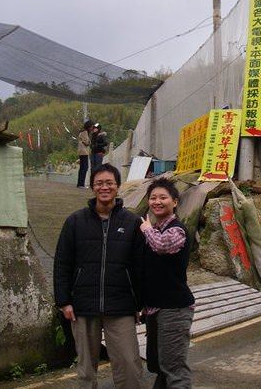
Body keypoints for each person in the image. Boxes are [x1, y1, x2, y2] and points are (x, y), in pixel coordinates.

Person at [54, 163, 144, 389]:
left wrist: (141, 302)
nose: (105, 187)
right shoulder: (75, 221)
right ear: (93, 187)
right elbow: (62, 263)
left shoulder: (132, 223)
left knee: (129, 365)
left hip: (121, 305)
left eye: (109, 183)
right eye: (99, 183)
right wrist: (64, 301)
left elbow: (140, 267)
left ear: (118, 186)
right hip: (84, 305)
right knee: (85, 369)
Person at [140, 177, 195, 389]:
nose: (157, 202)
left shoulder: (176, 230)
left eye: (163, 197)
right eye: (153, 198)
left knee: (174, 368)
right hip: (156, 308)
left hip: (174, 308)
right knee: (159, 366)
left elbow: (162, 246)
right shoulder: (156, 228)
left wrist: (146, 229)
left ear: (175, 202)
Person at [77, 120, 94, 188]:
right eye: (91, 126)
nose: (92, 128)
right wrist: (90, 141)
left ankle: (80, 183)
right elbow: (87, 142)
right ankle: (81, 183)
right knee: (85, 167)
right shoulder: (85, 132)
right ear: (89, 126)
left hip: (81, 151)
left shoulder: (82, 131)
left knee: (82, 167)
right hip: (84, 151)